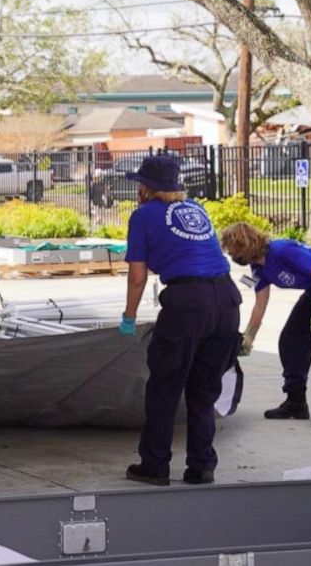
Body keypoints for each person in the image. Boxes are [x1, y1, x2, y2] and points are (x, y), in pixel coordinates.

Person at [119, 155, 241, 486]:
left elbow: (137, 276)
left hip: (188, 304)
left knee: (165, 387)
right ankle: (202, 467)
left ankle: (155, 466)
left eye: (140, 184)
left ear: (146, 188)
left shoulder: (142, 216)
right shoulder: (197, 209)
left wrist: (129, 316)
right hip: (227, 301)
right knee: (204, 389)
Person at [220, 223, 311, 429]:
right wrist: (249, 336)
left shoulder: (283, 251)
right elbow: (260, 303)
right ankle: (296, 402)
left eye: (234, 252)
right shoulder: (257, 267)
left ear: (246, 245)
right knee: (291, 340)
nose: (233, 257)